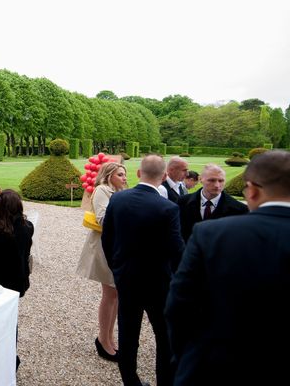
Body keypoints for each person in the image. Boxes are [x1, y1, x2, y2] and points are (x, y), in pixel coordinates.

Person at [165, 150, 290, 385]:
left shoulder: (210, 234)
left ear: (251, 189)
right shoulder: (190, 211)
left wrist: (189, 356)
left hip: (216, 367)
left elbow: (178, 308)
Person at [102, 155, 184, 386]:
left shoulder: (118, 200)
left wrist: (117, 269)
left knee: (128, 335)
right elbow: (177, 249)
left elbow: (107, 240)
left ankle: (131, 382)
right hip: (159, 283)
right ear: (165, 176)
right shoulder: (168, 208)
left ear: (138, 173)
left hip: (127, 279)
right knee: (164, 336)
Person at [76, 162, 127, 362]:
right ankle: (103, 339)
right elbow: (103, 219)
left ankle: (108, 337)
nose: (124, 178)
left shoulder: (119, 191)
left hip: (117, 248)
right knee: (110, 294)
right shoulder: (102, 190)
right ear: (108, 175)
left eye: (124, 174)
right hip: (105, 248)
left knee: (115, 294)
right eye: (120, 174)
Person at [0, 189, 34, 370]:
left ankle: (2, 357)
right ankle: (9, 356)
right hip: (17, 281)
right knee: (11, 320)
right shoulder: (27, 227)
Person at [177, 163, 248, 242]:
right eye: (212, 180)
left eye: (221, 181)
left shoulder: (239, 209)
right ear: (200, 179)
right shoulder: (182, 202)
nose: (217, 185)